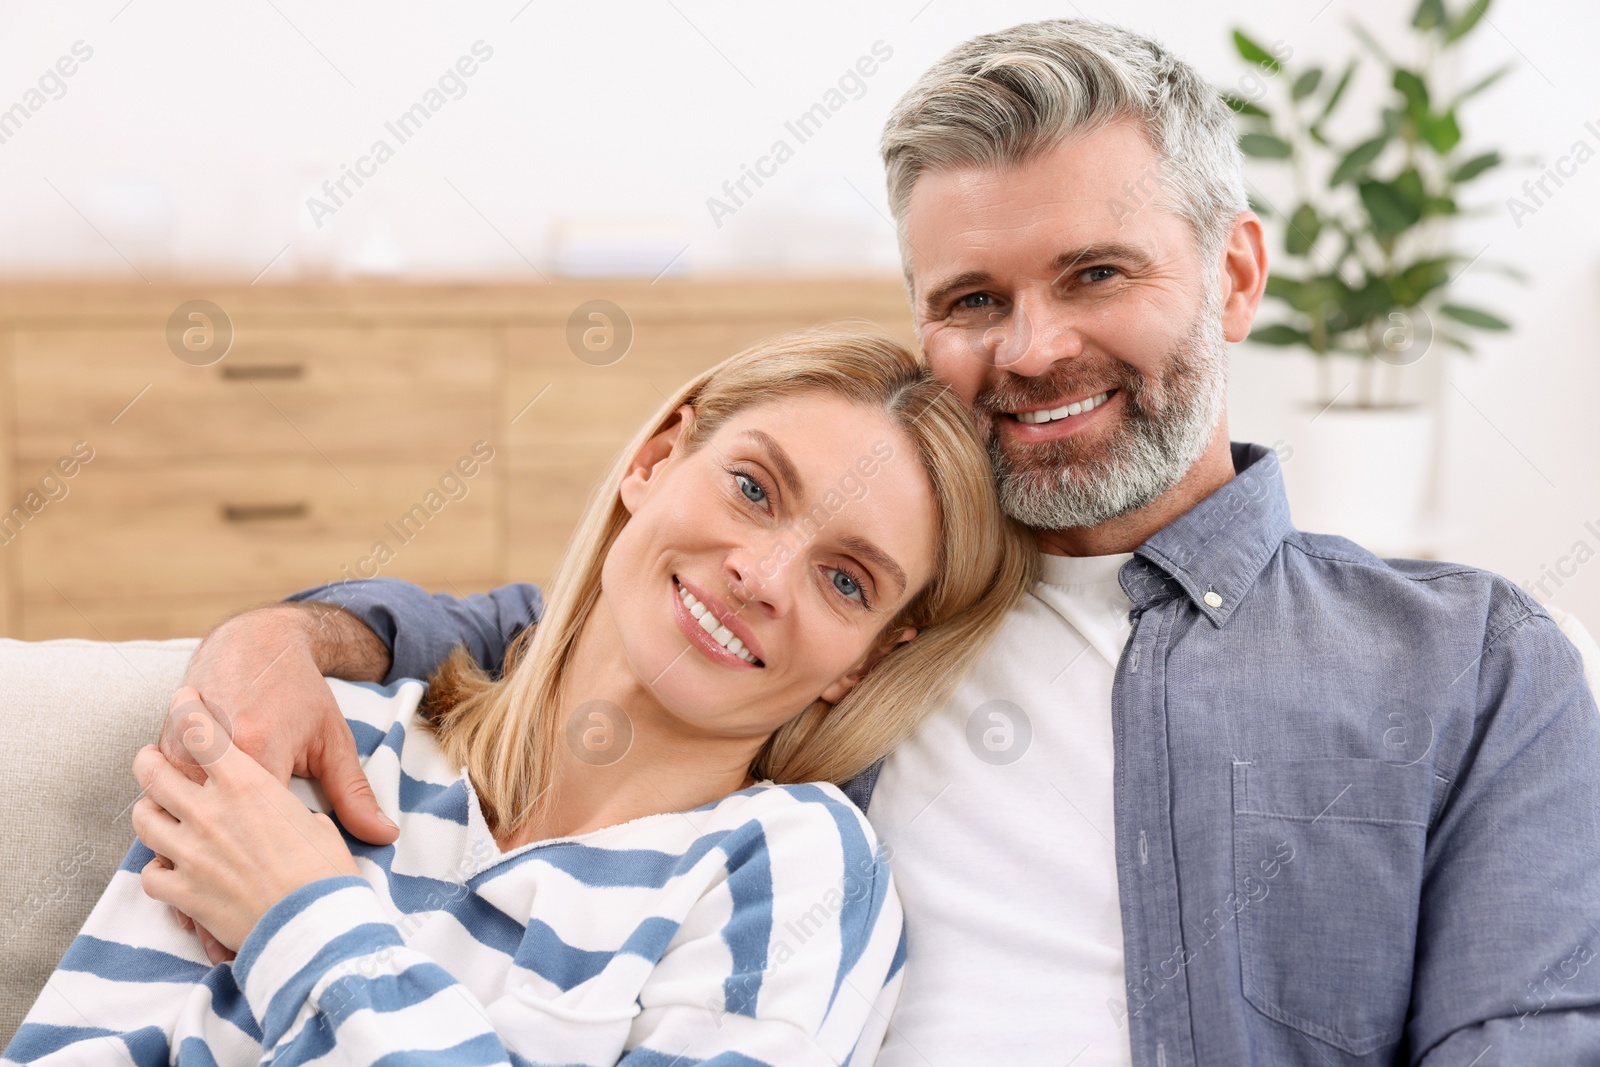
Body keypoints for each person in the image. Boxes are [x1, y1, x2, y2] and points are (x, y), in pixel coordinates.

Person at [100, 16, 1600, 1067]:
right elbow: (544, 622)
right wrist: (280, 634)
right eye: (971, 299)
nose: (1036, 346)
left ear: (1237, 273)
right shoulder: (858, 621)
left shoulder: (1468, 668)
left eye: (1096, 272)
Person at [3, 329, 1035, 1065]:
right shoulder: (320, 743)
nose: (762, 574)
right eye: (754, 488)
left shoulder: (789, 866)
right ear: (656, 458)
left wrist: (300, 915)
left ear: (863, 658)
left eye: (844, 579)